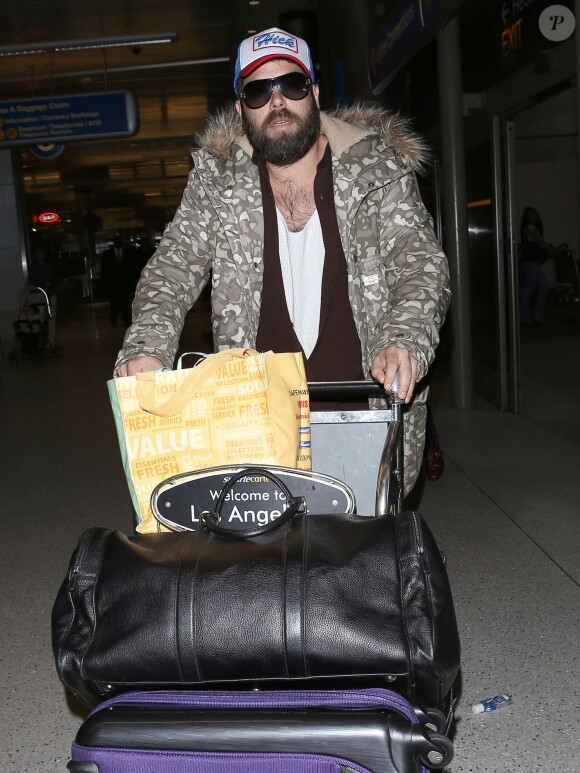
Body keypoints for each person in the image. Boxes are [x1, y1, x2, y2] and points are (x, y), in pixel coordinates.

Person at [115, 27, 451, 492]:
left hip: (365, 415)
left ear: (313, 92)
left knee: (361, 557)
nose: (277, 102)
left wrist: (403, 339)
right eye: (258, 91)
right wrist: (146, 346)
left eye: (290, 86)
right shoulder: (216, 185)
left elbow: (419, 262)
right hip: (258, 423)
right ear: (240, 108)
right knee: (268, 560)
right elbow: (173, 265)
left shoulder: (377, 170)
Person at [519, 206, 559, 325]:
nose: (533, 217)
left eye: (535, 214)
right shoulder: (530, 228)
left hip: (530, 263)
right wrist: (551, 250)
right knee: (543, 286)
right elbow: (540, 243)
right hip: (531, 263)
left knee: (528, 290)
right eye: (530, 215)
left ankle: (524, 317)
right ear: (526, 218)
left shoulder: (532, 229)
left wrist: (553, 249)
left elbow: (541, 243)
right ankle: (536, 315)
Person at [100, 235, 135, 327]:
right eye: (118, 241)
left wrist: (132, 282)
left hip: (125, 283)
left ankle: (126, 319)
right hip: (113, 283)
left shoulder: (128, 253)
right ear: (114, 242)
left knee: (126, 302)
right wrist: (104, 283)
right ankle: (114, 316)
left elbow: (132, 268)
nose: (119, 243)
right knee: (114, 301)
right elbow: (104, 269)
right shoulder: (107, 254)